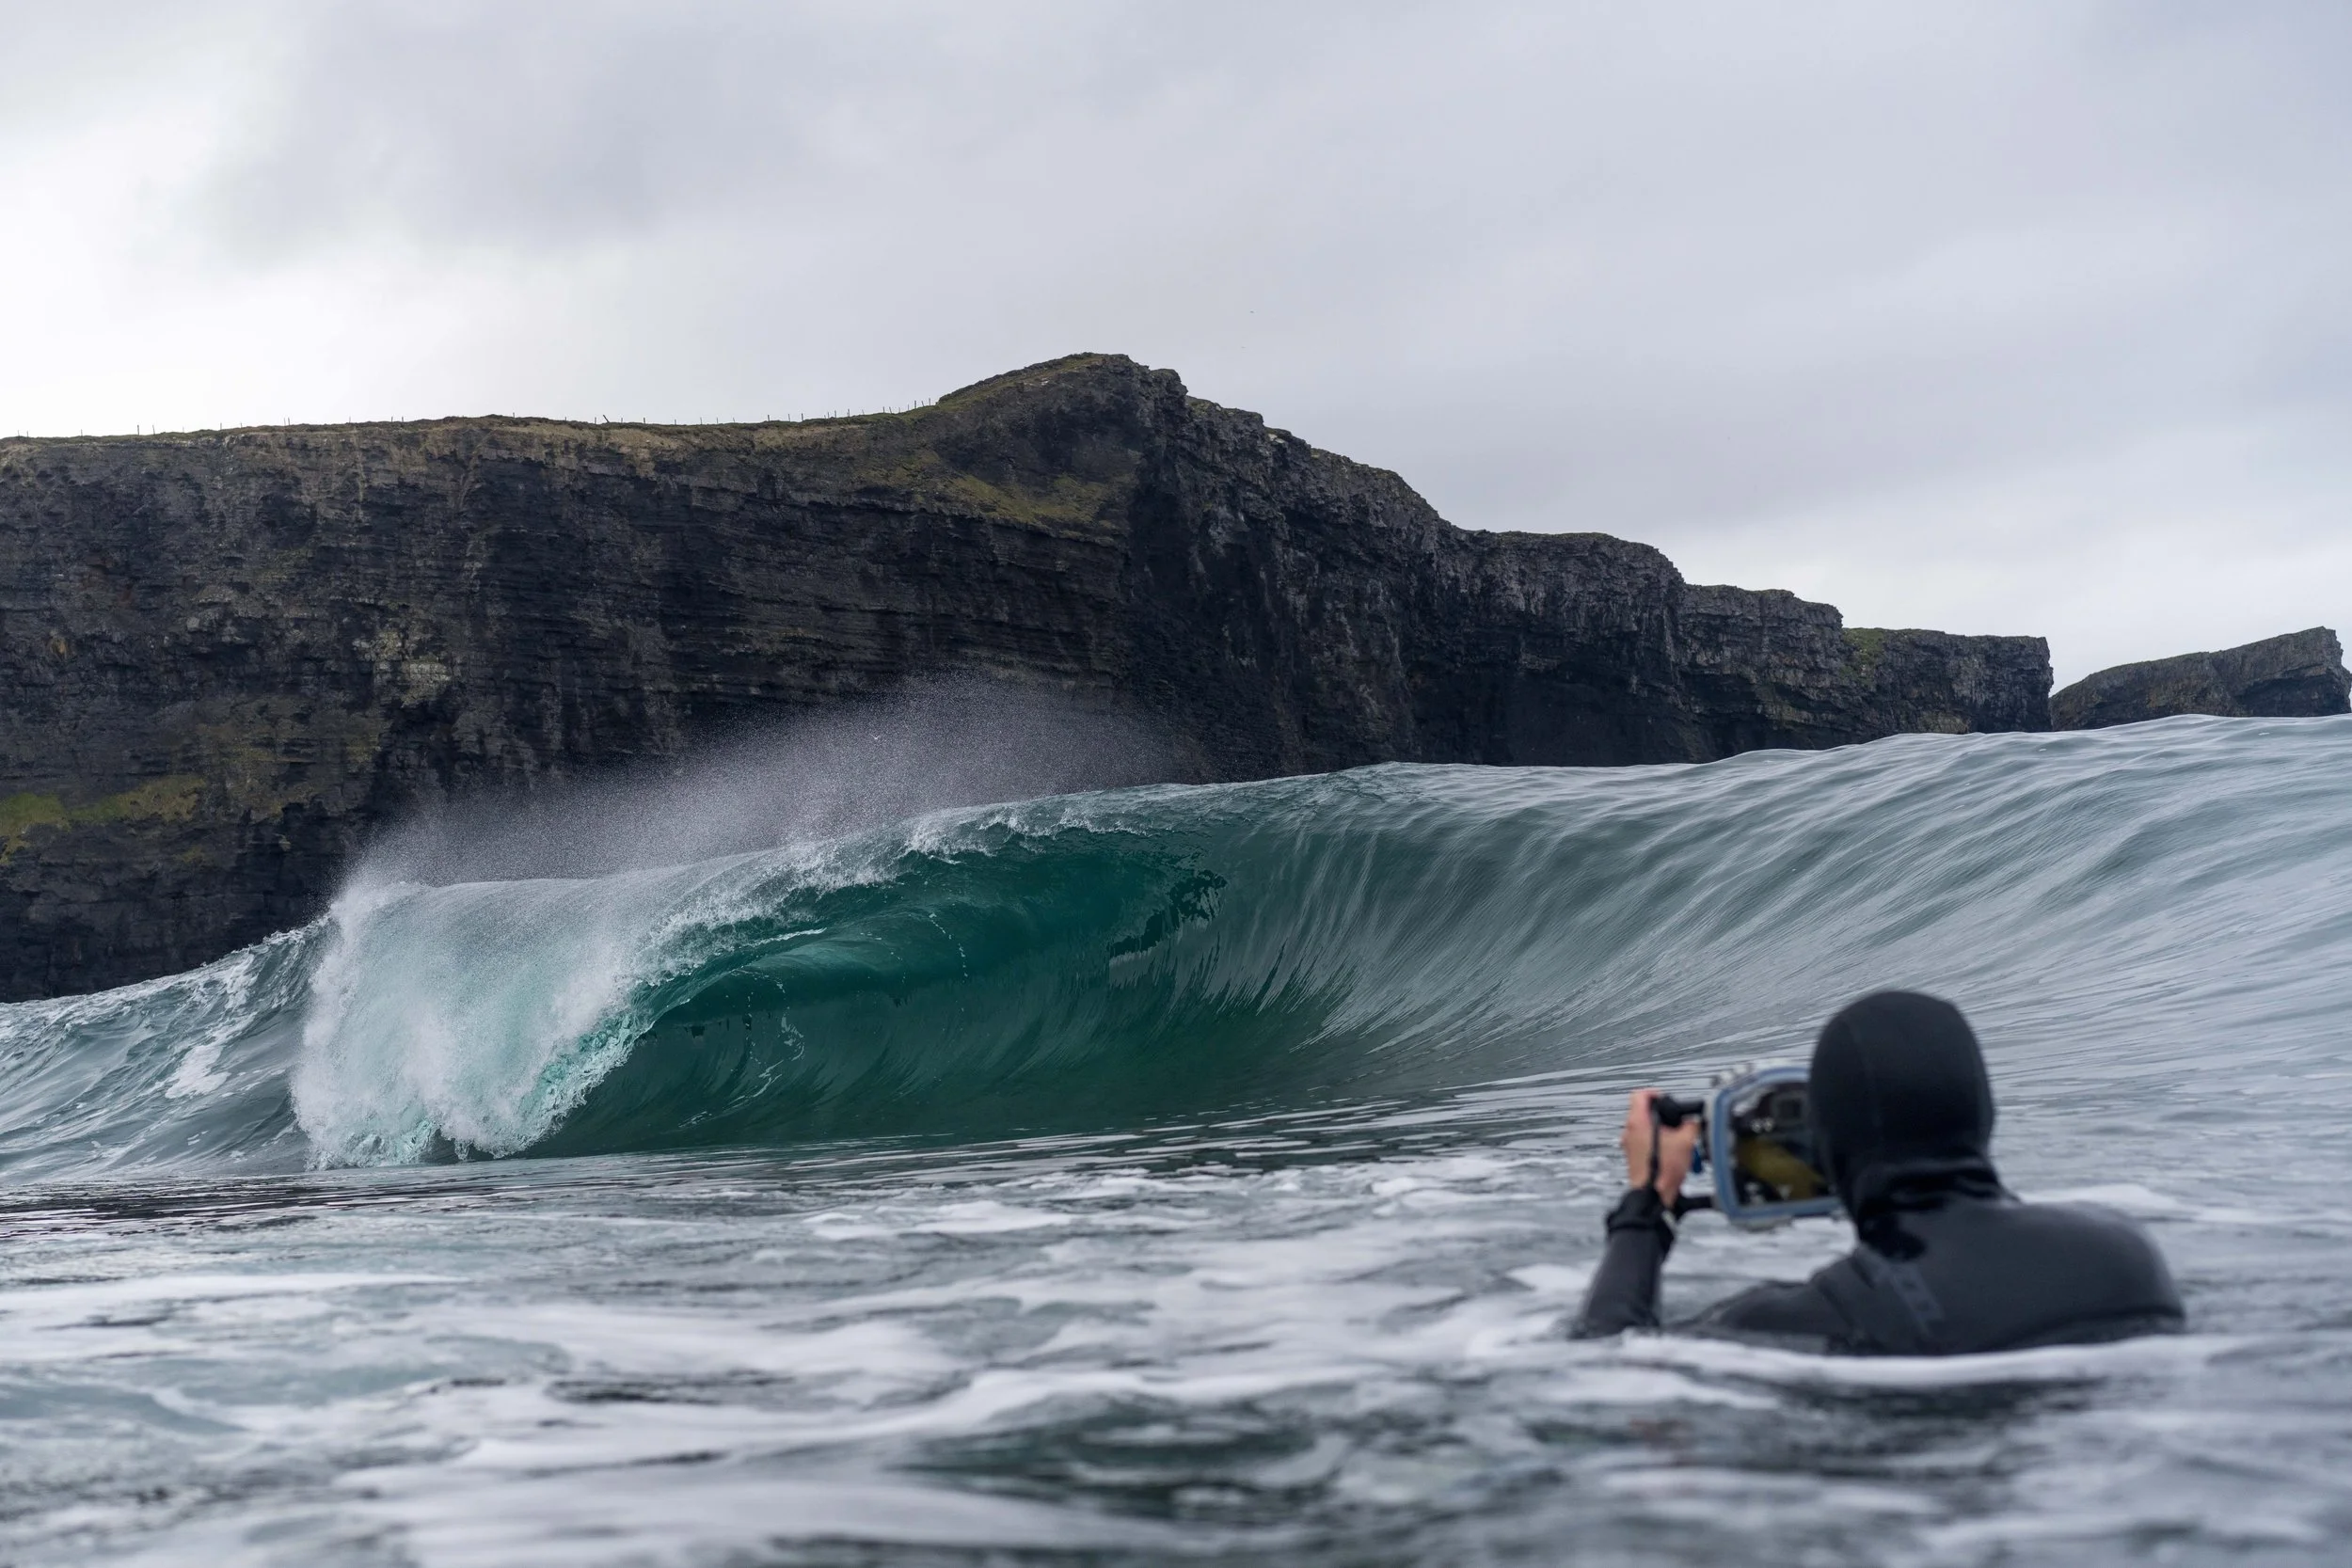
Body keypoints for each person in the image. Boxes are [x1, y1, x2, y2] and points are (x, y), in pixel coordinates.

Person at [1571, 990, 2185, 1353]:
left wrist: (1646, 1203)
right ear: (1983, 1113)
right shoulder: (2125, 1253)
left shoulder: (1827, 1312)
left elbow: (1604, 1353)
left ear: (1833, 1145)